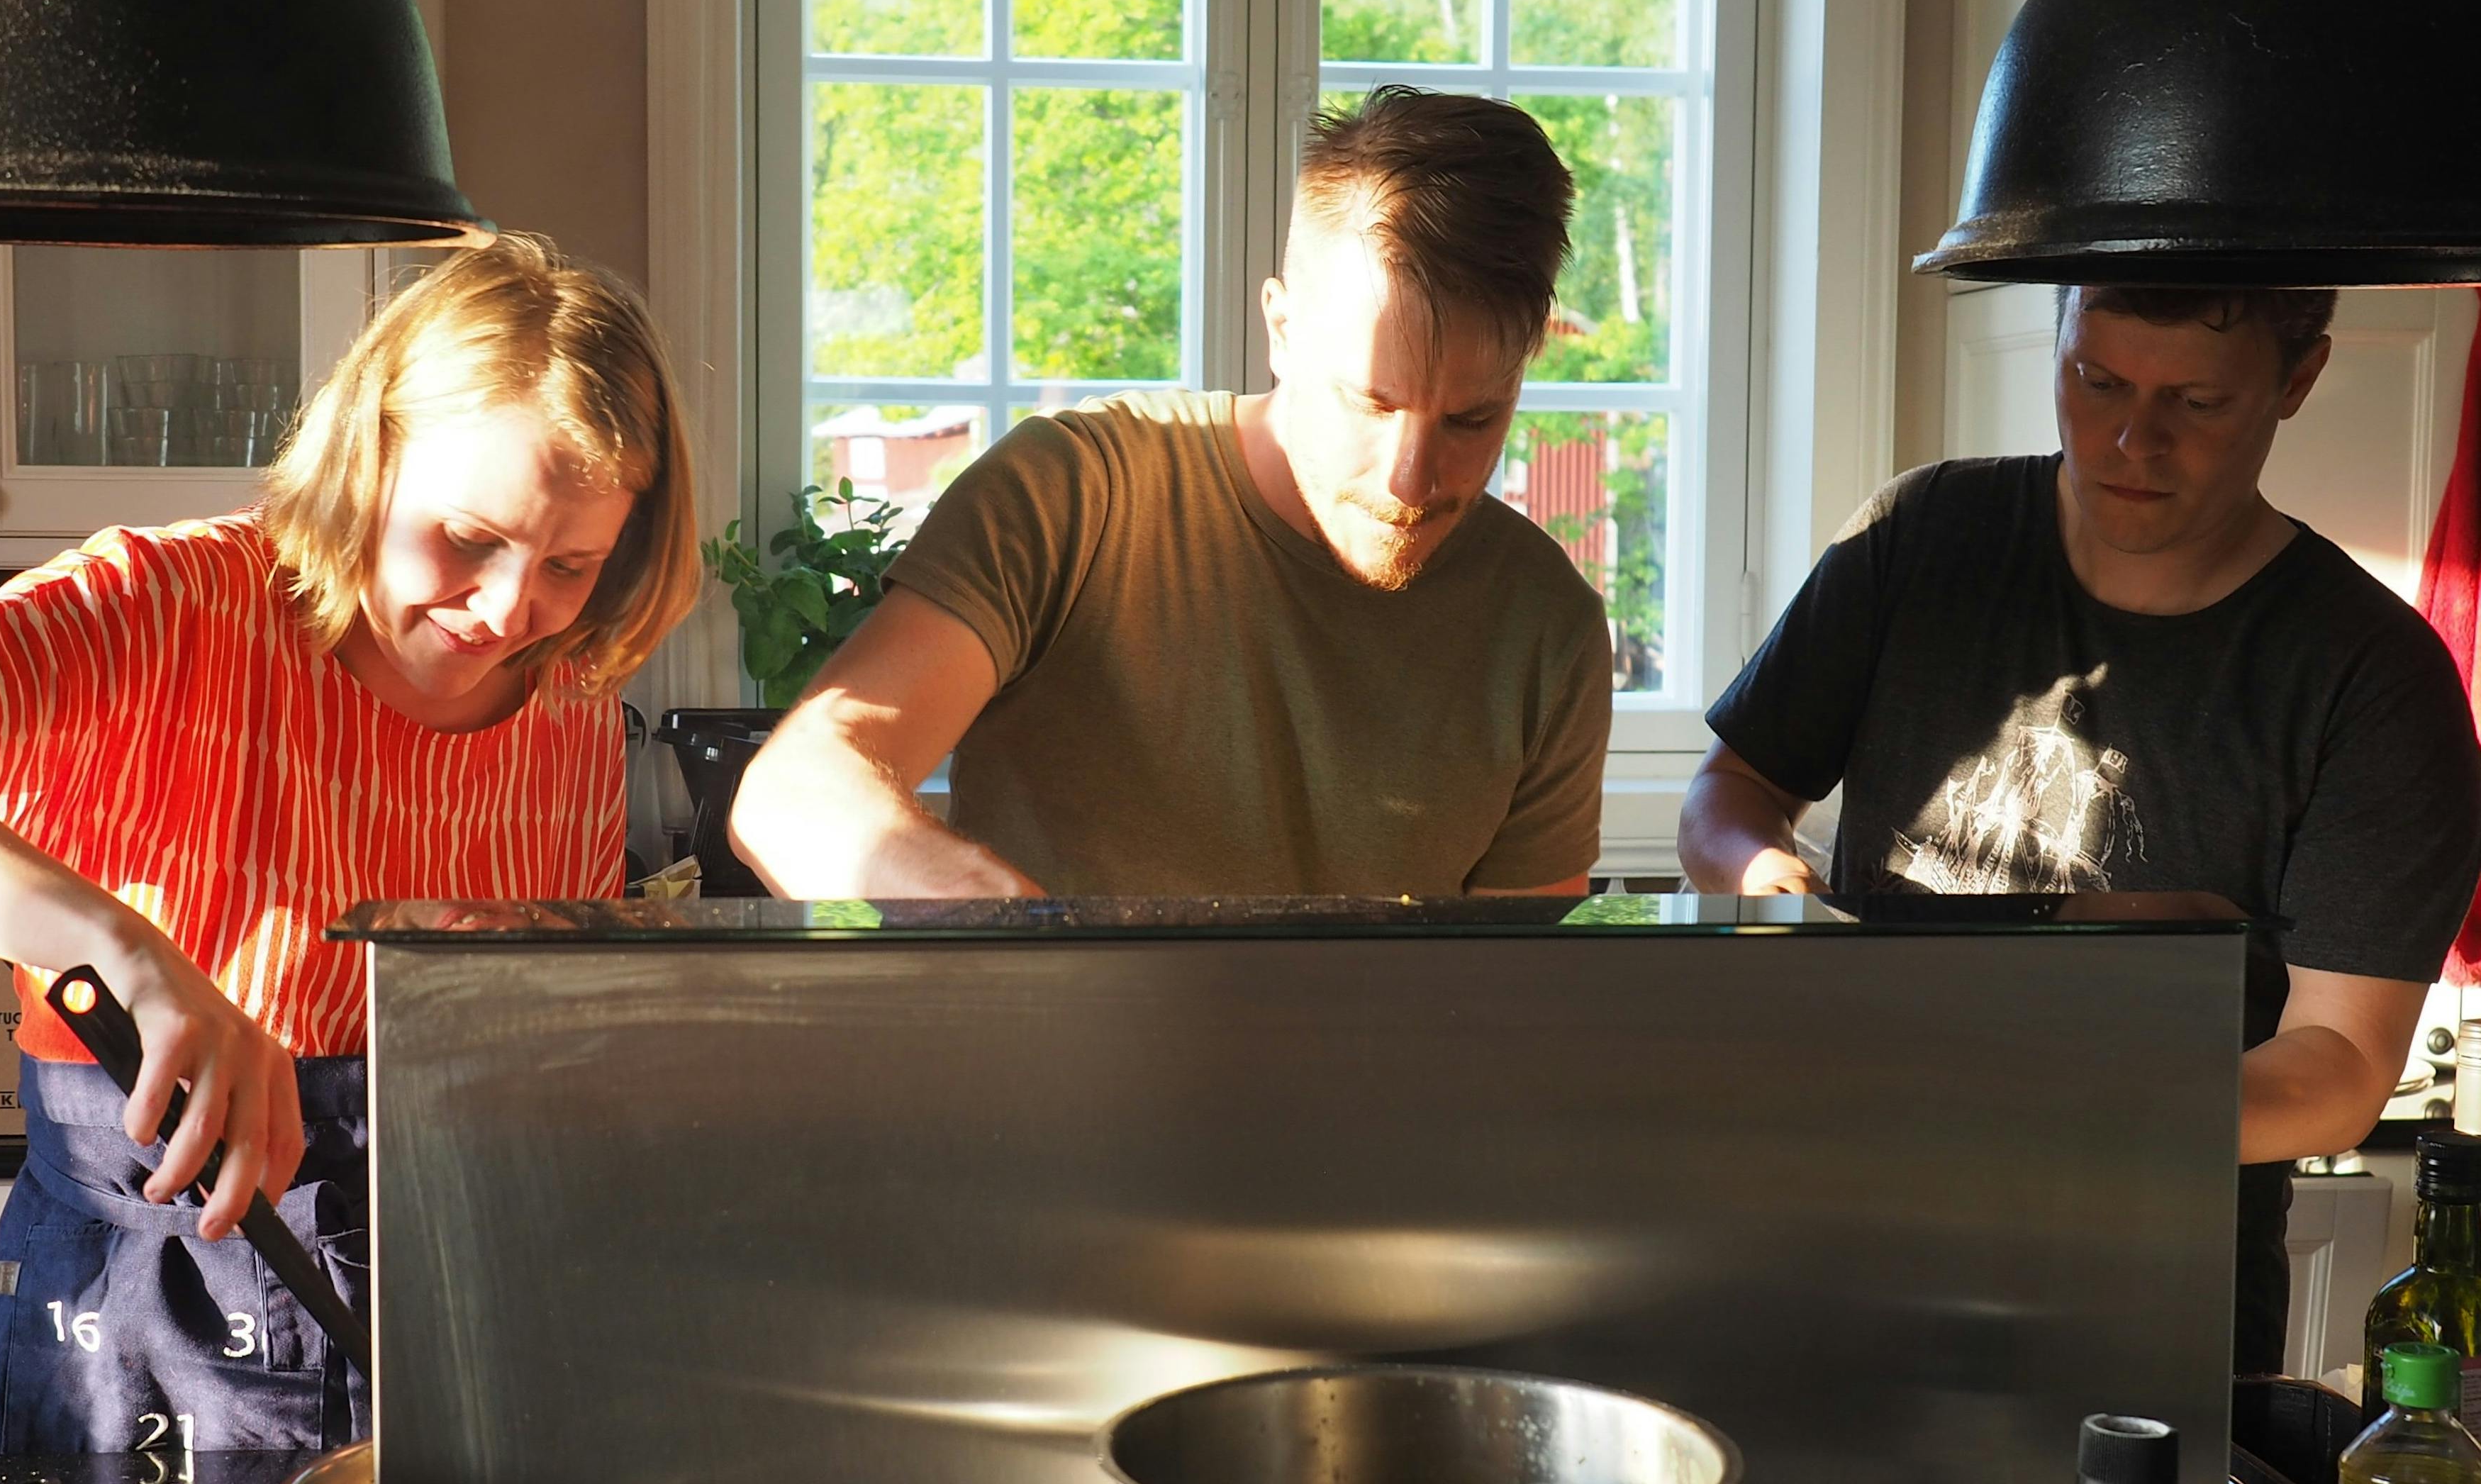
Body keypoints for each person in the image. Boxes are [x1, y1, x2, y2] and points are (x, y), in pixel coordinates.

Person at [0, 235, 698, 1454]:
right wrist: (122, 948)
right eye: (468, 537)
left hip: (445, 1305)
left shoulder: (566, 694)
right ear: (369, 460)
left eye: (572, 563)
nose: (512, 609)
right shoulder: (169, 603)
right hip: (146, 1318)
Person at [1677, 280, 2481, 1372]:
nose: (2129, 439)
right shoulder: (1924, 537)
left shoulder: (2372, 677)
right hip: (1841, 1227)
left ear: (2300, 379)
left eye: (2195, 403)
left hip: (2153, 1282)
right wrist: (1771, 883)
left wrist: (2042, 1110)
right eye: (2093, 380)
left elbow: (2339, 1063)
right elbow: (1730, 791)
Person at [731, 87, 1615, 901]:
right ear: (1281, 328)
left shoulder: (1546, 630)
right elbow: (792, 794)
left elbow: (1511, 1005)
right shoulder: (1077, 496)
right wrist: (986, 914)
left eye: (1471, 421)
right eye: (1371, 403)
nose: (1411, 479)